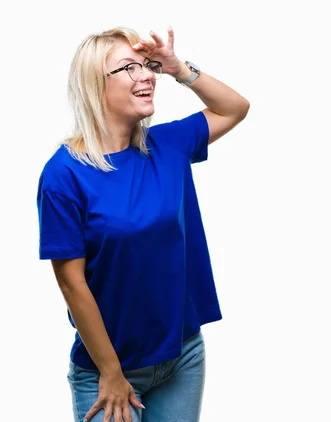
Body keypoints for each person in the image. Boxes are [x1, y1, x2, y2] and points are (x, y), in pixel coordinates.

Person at [36, 26, 249, 422]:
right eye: (129, 68)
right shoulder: (64, 174)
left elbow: (234, 107)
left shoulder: (168, 146)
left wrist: (179, 69)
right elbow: (71, 282)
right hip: (109, 369)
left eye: (148, 66)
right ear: (94, 85)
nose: (147, 75)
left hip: (182, 356)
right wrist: (112, 373)